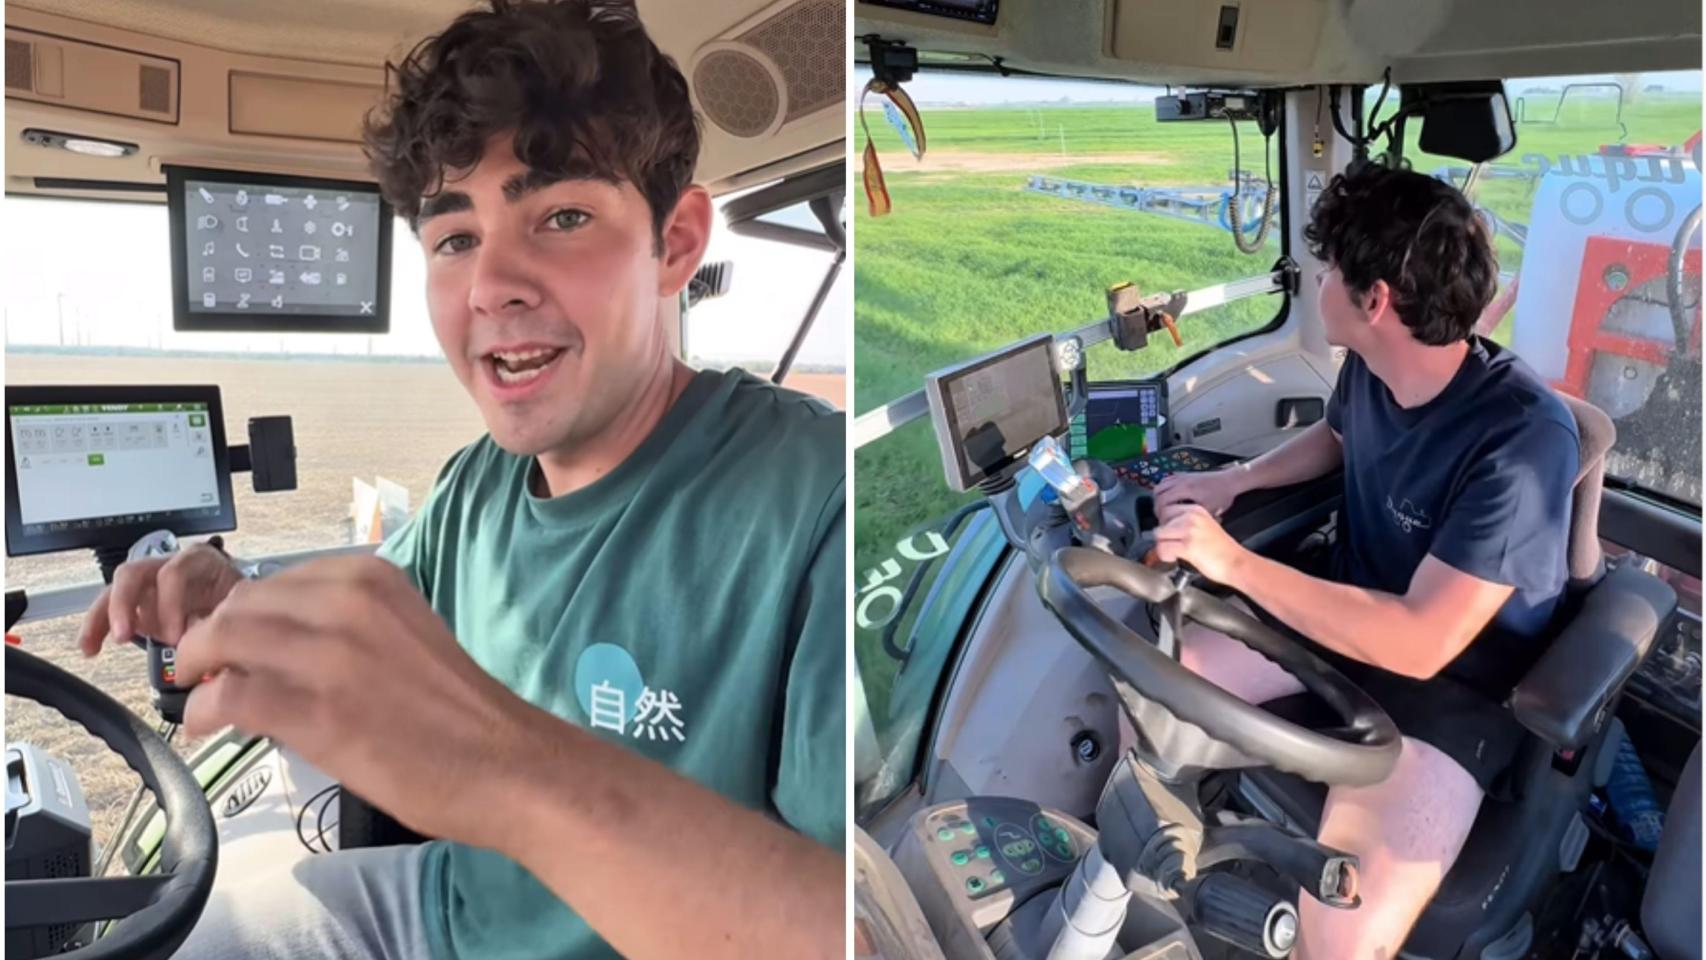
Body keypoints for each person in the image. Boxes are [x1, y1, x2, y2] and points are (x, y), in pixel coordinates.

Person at [76, 2, 844, 958]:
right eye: (455, 239)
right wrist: (247, 607)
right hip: (454, 913)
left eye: (561, 216)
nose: (492, 286)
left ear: (676, 244)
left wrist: (503, 773)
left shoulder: (817, 498)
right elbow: (386, 639)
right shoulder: (477, 488)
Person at [1150, 164, 1578, 958]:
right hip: (1346, 611)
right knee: (1160, 685)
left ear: (1374, 300)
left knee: (1342, 935)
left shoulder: (1522, 443)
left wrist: (1235, 565)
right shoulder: (1373, 366)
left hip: (1457, 684)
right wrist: (1236, 480)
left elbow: (1420, 641)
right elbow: (1339, 437)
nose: (1319, 289)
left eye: (1327, 275)